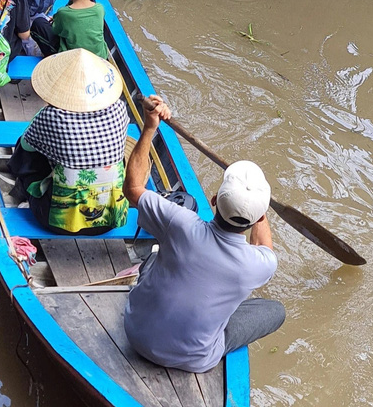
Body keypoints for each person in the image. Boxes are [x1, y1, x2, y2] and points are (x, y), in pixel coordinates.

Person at [122, 96, 285, 373]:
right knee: (275, 311)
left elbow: (133, 188)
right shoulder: (259, 264)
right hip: (193, 360)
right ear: (258, 217)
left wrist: (149, 127)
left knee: (156, 255)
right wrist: (261, 211)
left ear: (213, 200)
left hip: (135, 333)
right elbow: (264, 246)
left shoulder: (179, 223)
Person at [7, 48, 129, 234]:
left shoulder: (53, 117)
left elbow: (25, 146)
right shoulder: (119, 109)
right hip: (112, 219)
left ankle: (25, 192)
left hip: (58, 223)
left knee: (24, 147)